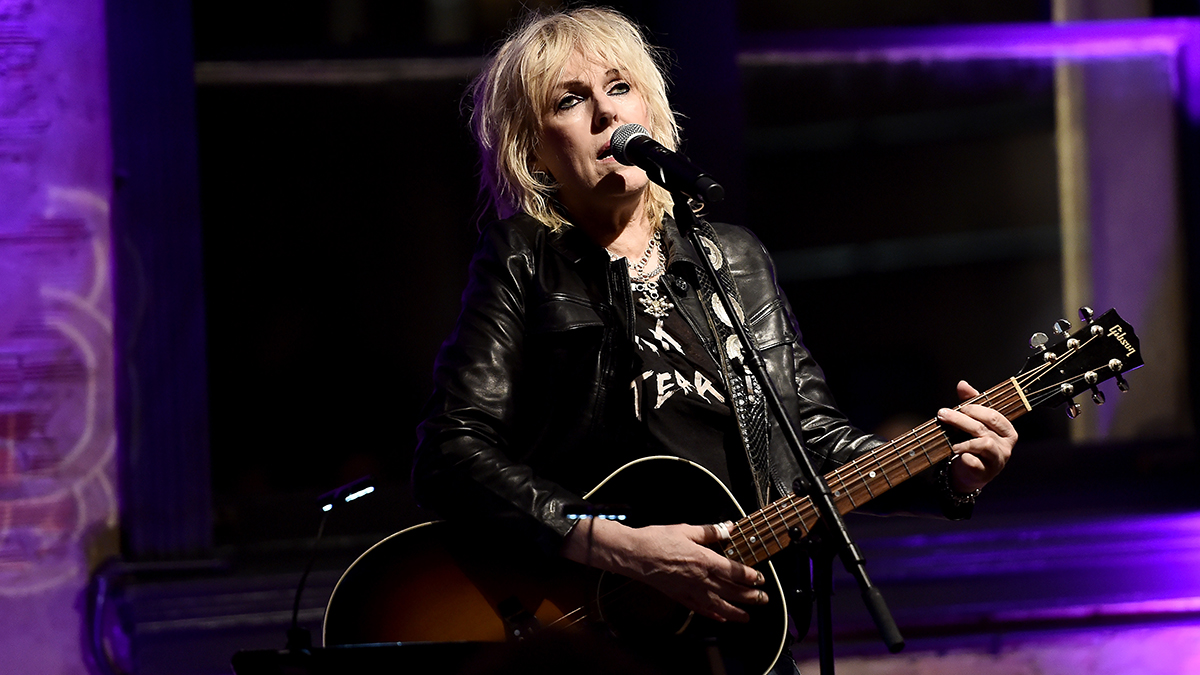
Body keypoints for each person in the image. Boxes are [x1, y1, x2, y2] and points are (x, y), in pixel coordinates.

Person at [412, 7, 1017, 674]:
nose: (606, 115)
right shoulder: (525, 258)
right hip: (593, 636)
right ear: (533, 149)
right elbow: (451, 452)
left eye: (619, 87)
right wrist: (619, 547)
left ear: (651, 107)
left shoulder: (733, 259)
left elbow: (810, 438)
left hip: (736, 631)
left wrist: (947, 473)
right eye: (571, 99)